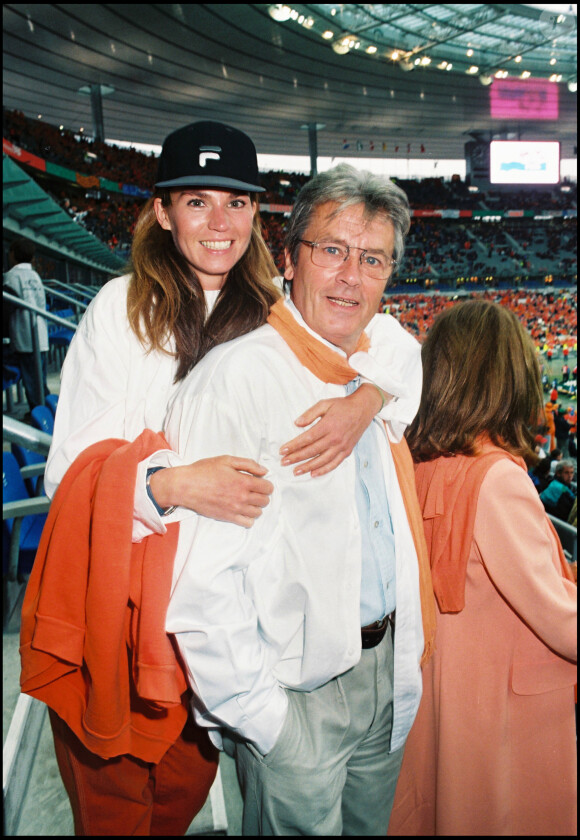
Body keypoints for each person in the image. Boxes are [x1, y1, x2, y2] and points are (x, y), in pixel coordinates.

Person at [21, 124, 389, 836]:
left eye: (236, 203)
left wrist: (369, 397)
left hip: (224, 634)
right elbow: (70, 479)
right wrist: (171, 485)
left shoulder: (280, 313)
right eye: (196, 202)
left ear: (257, 214)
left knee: (178, 809)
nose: (219, 225)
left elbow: (396, 345)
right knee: (118, 818)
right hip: (124, 621)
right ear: (162, 211)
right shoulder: (117, 310)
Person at [164, 163, 436, 836]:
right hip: (296, 692)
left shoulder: (375, 362)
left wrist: (367, 395)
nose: (351, 275)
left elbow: (407, 353)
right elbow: (199, 582)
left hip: (385, 669)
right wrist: (265, 721)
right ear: (289, 258)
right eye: (332, 250)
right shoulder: (237, 378)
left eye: (372, 259)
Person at [389, 300, 577, 837]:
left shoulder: (418, 463)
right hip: (503, 721)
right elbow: (564, 623)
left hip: (444, 702)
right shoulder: (498, 479)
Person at [3, 237, 50, 411]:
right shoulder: (34, 275)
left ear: (13, 254)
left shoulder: (12, 276)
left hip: (26, 338)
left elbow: (7, 308)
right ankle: (43, 412)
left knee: (32, 383)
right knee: (39, 380)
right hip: (41, 337)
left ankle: (39, 415)